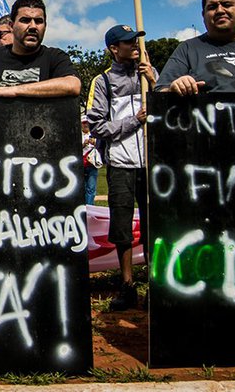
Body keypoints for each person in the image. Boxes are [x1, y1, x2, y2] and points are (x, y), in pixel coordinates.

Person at [86, 24, 157, 311]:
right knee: (122, 228)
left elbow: (169, 112)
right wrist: (134, 121)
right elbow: (97, 126)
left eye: (136, 41)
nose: (135, 46)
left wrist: (154, 84)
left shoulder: (150, 74)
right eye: (129, 43)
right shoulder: (102, 82)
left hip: (151, 163)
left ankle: (155, 283)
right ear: (114, 49)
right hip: (121, 163)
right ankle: (126, 286)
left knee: (155, 224)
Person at [81, 116, 100, 206]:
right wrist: (83, 144)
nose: (86, 125)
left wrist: (95, 143)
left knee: (91, 188)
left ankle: (89, 206)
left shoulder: (95, 134)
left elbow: (101, 147)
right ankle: (83, 206)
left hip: (92, 164)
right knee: (82, 188)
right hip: (81, 165)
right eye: (84, 123)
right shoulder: (78, 135)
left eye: (87, 123)